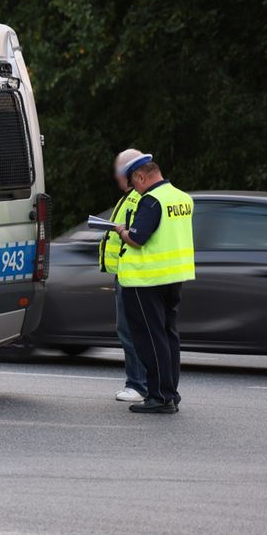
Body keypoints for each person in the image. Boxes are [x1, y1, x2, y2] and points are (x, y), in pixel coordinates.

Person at [114, 153, 195, 414]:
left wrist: (122, 231)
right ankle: (171, 392)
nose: (134, 189)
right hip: (174, 277)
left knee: (150, 338)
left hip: (146, 279)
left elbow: (137, 238)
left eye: (133, 183)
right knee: (169, 335)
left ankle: (159, 397)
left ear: (141, 176)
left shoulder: (151, 201)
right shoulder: (182, 197)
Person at [101, 149, 147, 403]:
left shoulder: (139, 198)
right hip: (127, 273)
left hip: (133, 275)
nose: (117, 177)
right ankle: (141, 383)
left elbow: (136, 235)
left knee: (130, 330)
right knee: (132, 329)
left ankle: (137, 384)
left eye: (119, 172)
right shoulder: (132, 196)